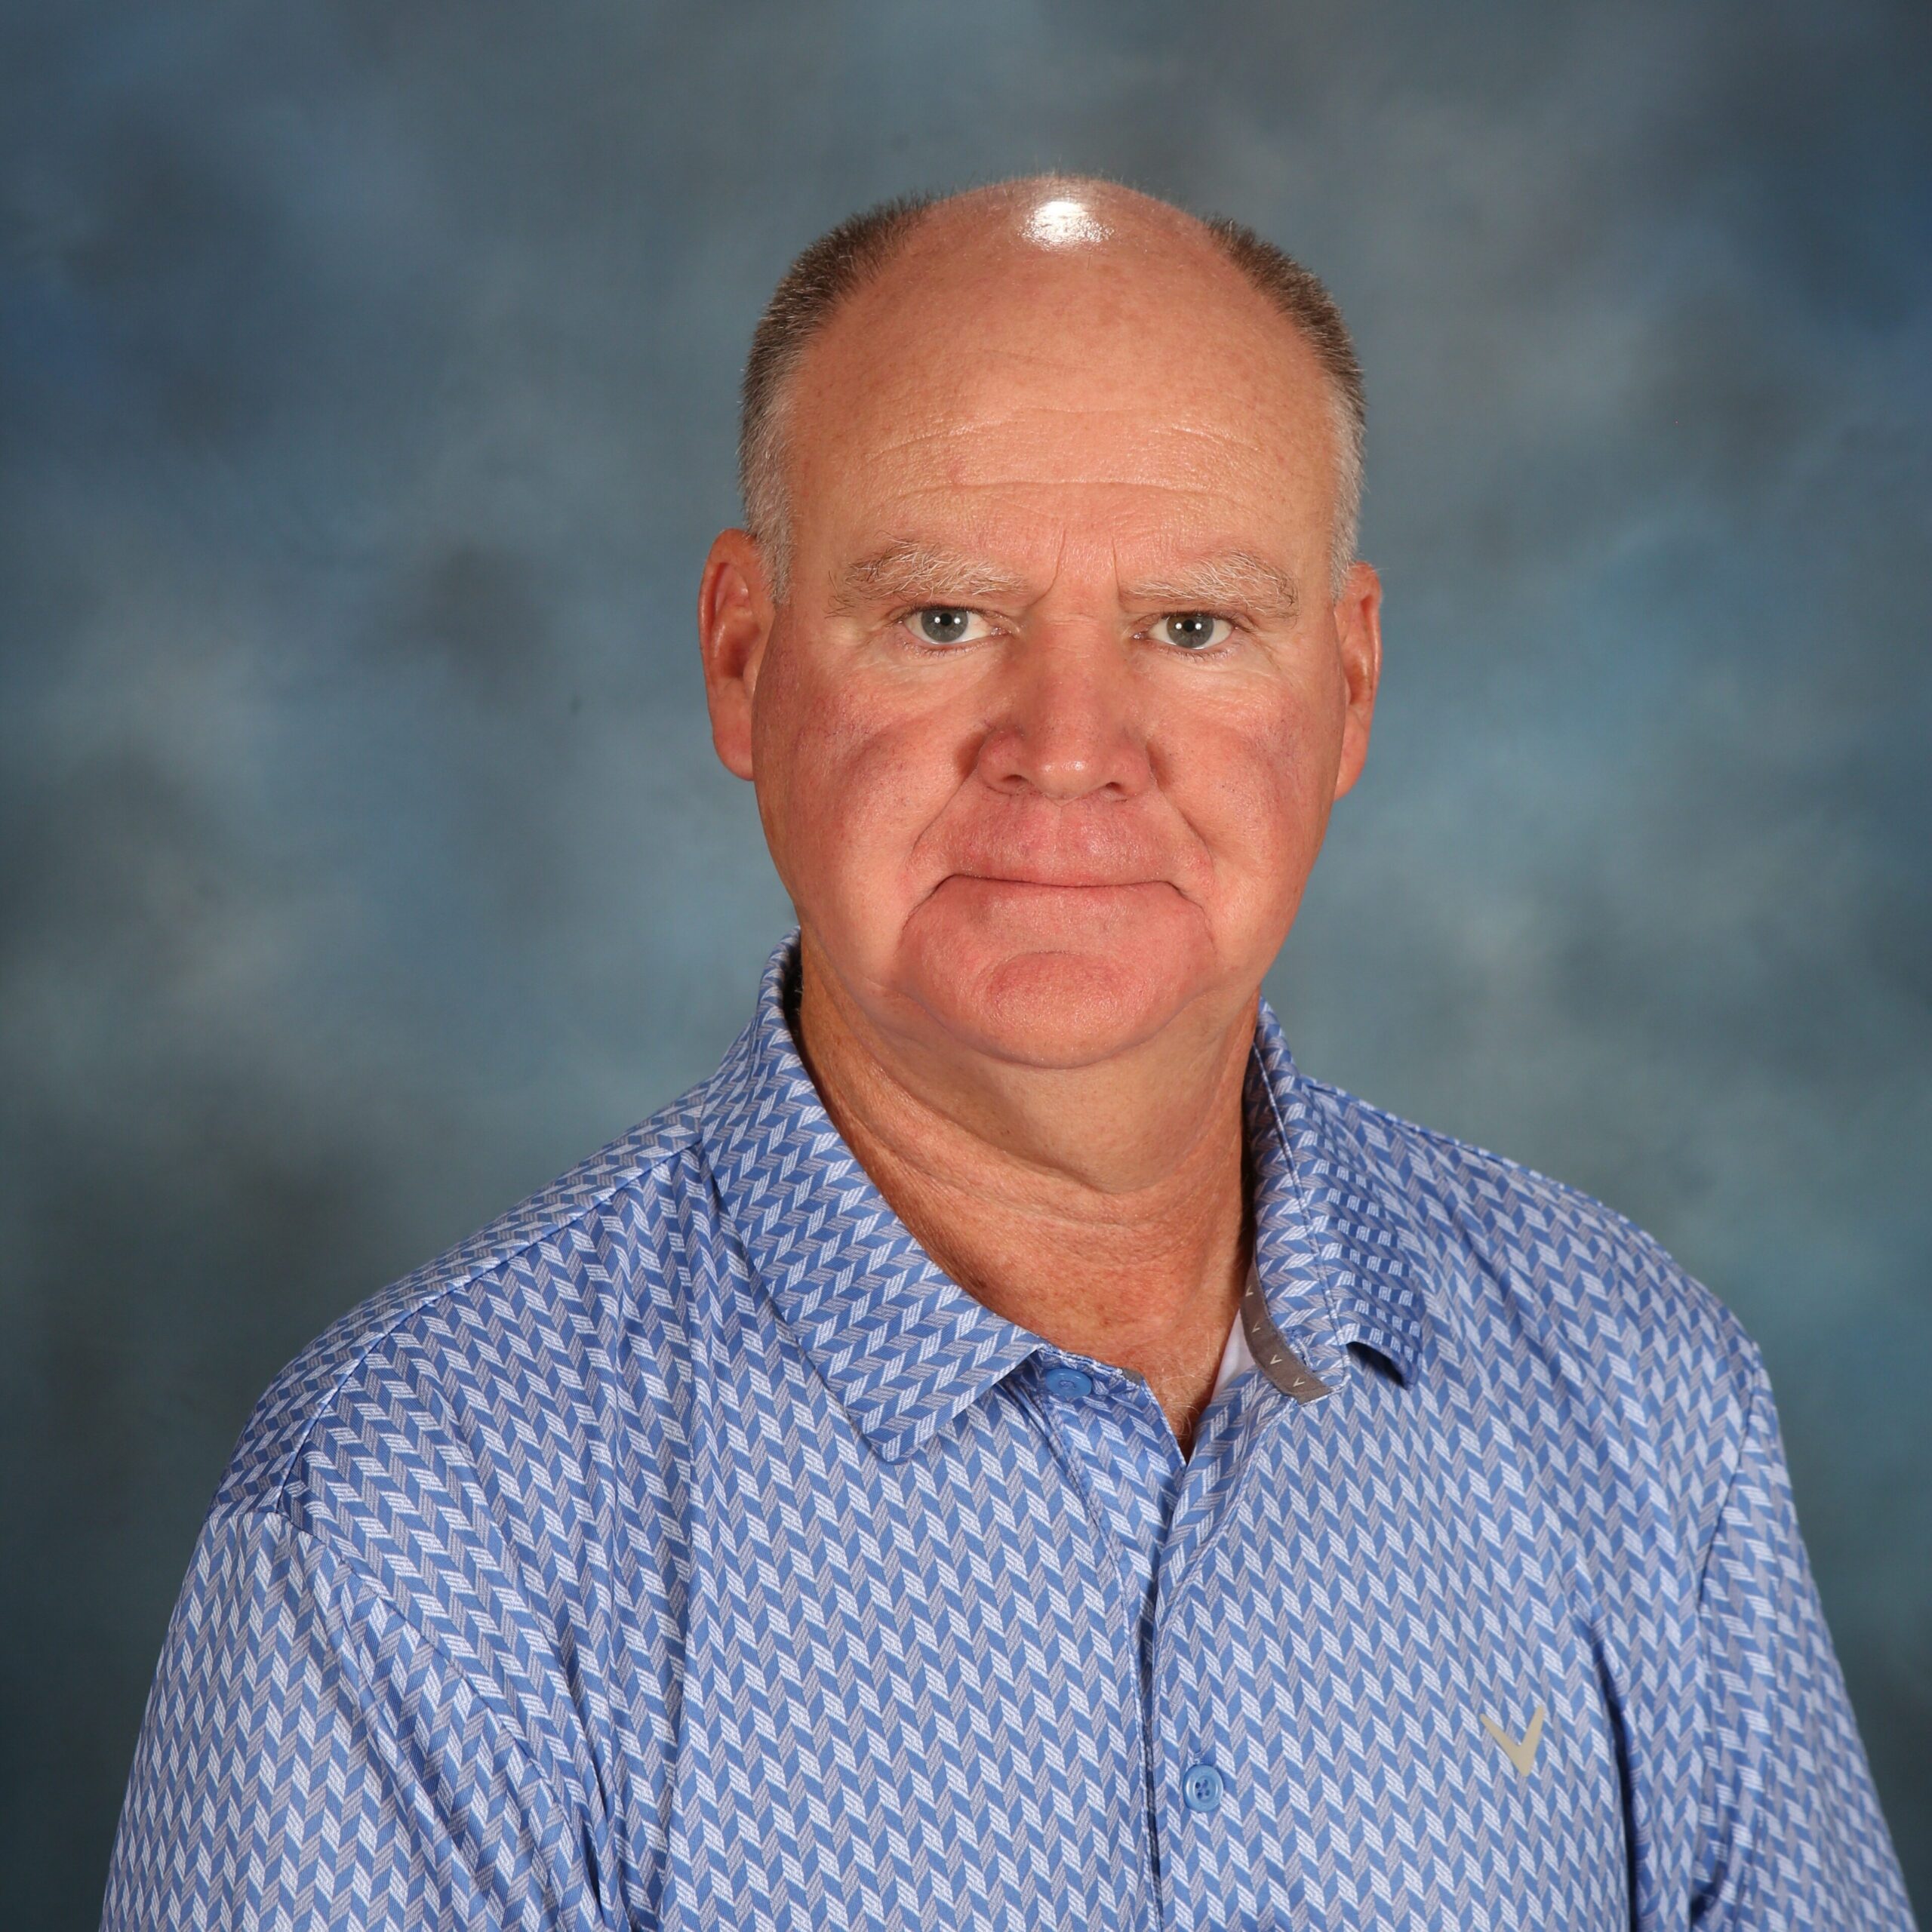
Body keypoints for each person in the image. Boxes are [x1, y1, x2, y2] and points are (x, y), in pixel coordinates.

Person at [103, 177, 1914, 1930]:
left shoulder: (1634, 1392)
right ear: (741, 659)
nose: (1066, 745)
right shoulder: (411, 1520)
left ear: (1347, 686)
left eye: (1189, 626)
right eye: (943, 618)